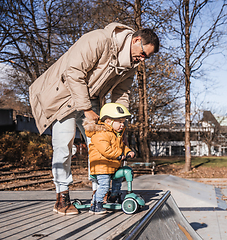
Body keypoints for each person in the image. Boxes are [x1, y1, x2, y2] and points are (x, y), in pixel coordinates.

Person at [29, 22, 159, 215]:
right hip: (64, 96)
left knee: (100, 144)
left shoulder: (131, 64)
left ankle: (100, 193)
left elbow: (122, 92)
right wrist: (87, 109)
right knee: (64, 144)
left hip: (91, 99)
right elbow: (74, 72)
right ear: (136, 40)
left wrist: (119, 121)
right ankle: (61, 197)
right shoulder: (100, 39)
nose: (142, 59)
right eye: (143, 53)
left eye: (146, 57)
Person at [83, 103, 135, 214]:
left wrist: (128, 151)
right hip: (102, 166)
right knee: (104, 185)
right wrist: (119, 155)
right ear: (108, 122)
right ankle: (96, 205)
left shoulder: (116, 134)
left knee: (118, 180)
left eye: (123, 122)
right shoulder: (101, 133)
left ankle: (113, 197)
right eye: (120, 122)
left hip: (112, 165)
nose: (122, 125)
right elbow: (105, 150)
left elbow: (121, 147)